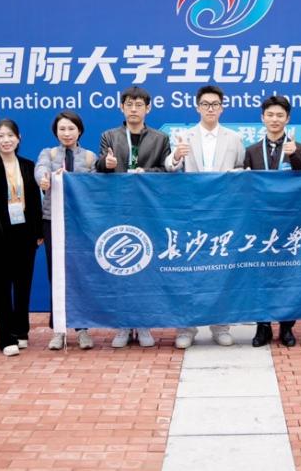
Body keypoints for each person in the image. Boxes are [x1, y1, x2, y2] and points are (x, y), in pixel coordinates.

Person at [165, 84, 245, 349]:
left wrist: (239, 173)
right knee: (188, 271)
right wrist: (176, 157)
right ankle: (186, 328)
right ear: (197, 107)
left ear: (222, 107)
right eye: (205, 104)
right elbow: (169, 168)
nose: (210, 108)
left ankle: (220, 326)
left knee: (221, 270)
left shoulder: (234, 138)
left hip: (223, 213)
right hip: (191, 212)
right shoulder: (183, 136)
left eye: (215, 104)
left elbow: (241, 168)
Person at [96, 86, 171, 348]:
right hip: (117, 209)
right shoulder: (109, 136)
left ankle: (144, 323)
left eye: (139, 104)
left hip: (147, 210)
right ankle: (123, 325)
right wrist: (105, 165)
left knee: (146, 267)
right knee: (120, 267)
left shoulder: (161, 138)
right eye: (129, 104)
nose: (134, 109)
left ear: (148, 108)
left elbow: (166, 171)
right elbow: (99, 168)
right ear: (122, 107)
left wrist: (146, 173)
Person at [243, 95, 301, 348]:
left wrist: (295, 156)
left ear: (287, 119)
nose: (275, 119)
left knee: (288, 275)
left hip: (290, 221)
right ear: (262, 118)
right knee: (259, 274)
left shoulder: (299, 148)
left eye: (280, 115)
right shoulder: (251, 151)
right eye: (270, 115)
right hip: (259, 223)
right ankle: (263, 327)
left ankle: (287, 327)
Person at [36, 110, 98, 350]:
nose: (67, 133)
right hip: (52, 221)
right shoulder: (49, 154)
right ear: (56, 132)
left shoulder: (90, 157)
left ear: (79, 130)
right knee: (56, 275)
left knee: (80, 274)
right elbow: (40, 170)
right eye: (62, 129)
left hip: (79, 224)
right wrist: (45, 179)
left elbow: (94, 187)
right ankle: (59, 330)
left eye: (71, 128)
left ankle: (82, 329)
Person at [0, 119, 43, 356]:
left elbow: (35, 200)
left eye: (10, 135)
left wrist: (39, 232)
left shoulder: (28, 165)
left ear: (19, 138)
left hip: (25, 233)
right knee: (1, 286)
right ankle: (5, 337)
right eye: (1, 136)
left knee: (23, 284)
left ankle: (21, 331)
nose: (6, 140)